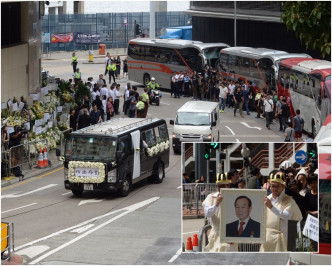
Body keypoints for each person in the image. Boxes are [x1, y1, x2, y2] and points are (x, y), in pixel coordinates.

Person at [260, 171, 302, 252]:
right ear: (270, 187)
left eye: (278, 186)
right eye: (273, 186)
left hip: (281, 238)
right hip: (267, 238)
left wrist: (271, 207)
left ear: (283, 187)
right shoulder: (266, 199)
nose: (275, 189)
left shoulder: (289, 200)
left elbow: (287, 216)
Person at [202, 173, 238, 252]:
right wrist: (216, 204)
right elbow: (207, 213)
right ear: (217, 186)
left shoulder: (235, 196)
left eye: (225, 185)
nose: (222, 188)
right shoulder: (211, 197)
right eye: (220, 186)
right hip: (216, 235)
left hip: (231, 234)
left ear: (229, 185)